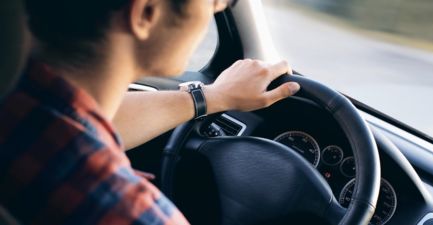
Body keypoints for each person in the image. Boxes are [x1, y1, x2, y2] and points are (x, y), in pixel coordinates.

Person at [0, 0, 301, 224]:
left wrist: (212, 97)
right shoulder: (137, 215)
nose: (218, 7)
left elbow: (82, 120)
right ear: (146, 12)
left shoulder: (19, 100)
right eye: (212, 0)